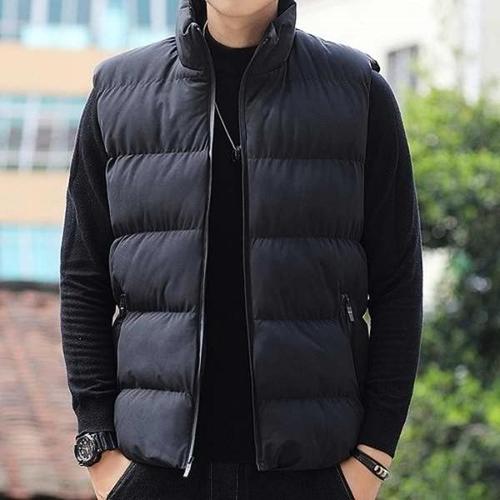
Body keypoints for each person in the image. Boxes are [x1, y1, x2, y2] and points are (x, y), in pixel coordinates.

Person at [59, 0, 423, 498]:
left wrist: (373, 457)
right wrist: (98, 444)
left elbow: (398, 279)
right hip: (153, 471)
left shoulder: (357, 91)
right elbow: (83, 277)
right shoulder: (118, 93)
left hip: (312, 471)